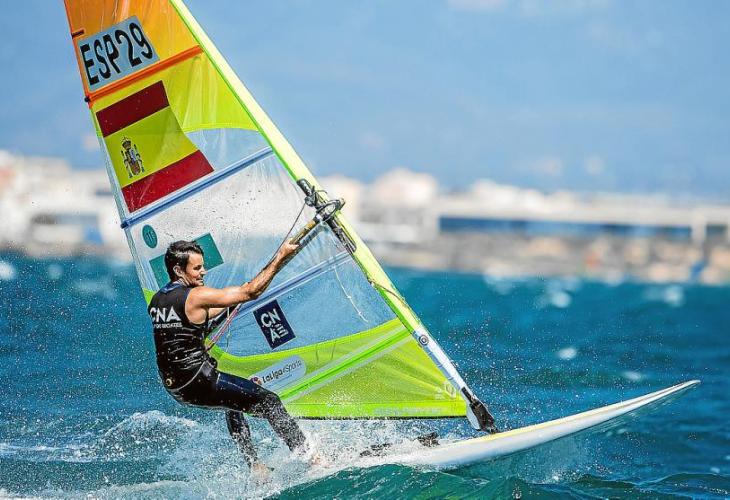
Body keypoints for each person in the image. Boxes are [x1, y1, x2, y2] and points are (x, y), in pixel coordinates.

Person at [148, 239, 316, 476]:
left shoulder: (157, 300)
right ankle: (311, 458)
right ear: (178, 270)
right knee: (269, 401)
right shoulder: (196, 296)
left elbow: (187, 326)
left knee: (231, 399)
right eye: (197, 268)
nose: (203, 271)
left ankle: (255, 465)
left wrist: (234, 300)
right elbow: (251, 292)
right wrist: (281, 255)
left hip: (177, 387)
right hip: (199, 380)